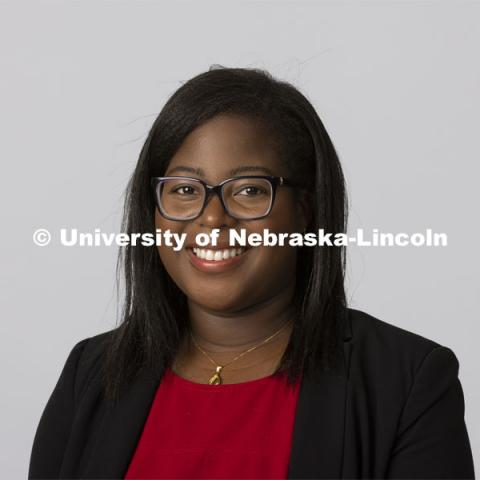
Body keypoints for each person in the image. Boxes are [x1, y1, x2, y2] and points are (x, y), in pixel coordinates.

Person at [28, 66, 475, 479]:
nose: (211, 219)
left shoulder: (408, 381)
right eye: (184, 189)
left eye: (248, 190)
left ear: (305, 211)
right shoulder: (90, 373)